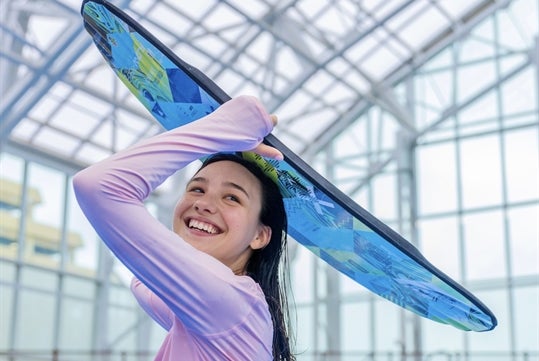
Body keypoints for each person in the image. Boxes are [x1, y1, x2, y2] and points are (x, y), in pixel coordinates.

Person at [73, 96, 295, 360]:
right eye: (197, 189)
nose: (203, 204)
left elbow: (98, 186)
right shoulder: (210, 311)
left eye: (232, 197)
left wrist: (223, 129)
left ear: (260, 235)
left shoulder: (228, 301)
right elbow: (142, 281)